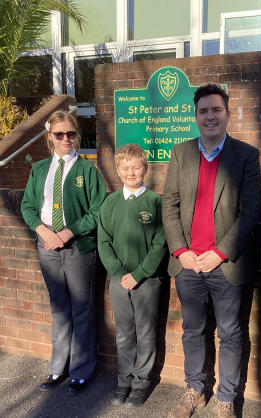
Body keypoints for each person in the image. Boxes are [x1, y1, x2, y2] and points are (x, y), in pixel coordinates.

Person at [162, 83, 261, 418]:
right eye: (203, 110)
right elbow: (169, 206)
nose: (210, 116)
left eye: (216, 110)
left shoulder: (245, 155)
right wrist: (179, 250)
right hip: (188, 264)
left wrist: (220, 253)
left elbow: (250, 212)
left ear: (227, 115)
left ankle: (225, 397)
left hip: (225, 264)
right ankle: (195, 389)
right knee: (192, 330)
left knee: (230, 334)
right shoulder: (181, 153)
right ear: (195, 115)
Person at [21, 110, 106, 395]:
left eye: (71, 133)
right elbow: (28, 206)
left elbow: (97, 210)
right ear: (50, 137)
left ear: (76, 136)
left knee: (81, 308)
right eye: (59, 134)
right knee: (59, 309)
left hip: (78, 247)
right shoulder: (39, 169)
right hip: (47, 247)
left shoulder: (87, 170)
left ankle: (82, 370)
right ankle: (58, 368)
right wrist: (44, 232)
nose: (66, 139)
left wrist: (67, 233)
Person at [97, 144, 167, 408]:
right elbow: (103, 240)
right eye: (125, 168)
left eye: (136, 166)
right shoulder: (110, 203)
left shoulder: (156, 202)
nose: (131, 172)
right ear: (117, 170)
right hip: (118, 280)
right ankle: (124, 380)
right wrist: (119, 272)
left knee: (146, 333)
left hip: (146, 281)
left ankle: (140, 383)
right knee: (125, 334)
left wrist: (138, 274)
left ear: (145, 169)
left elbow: (160, 243)